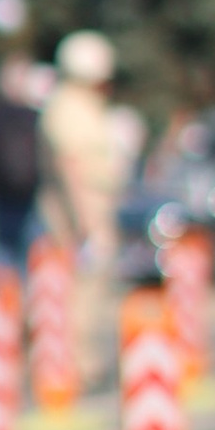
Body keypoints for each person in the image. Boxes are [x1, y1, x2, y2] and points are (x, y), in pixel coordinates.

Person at [40, 29, 138, 380]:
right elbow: (72, 166)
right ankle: (75, 364)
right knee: (79, 290)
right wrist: (85, 222)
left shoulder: (82, 106)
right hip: (83, 210)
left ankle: (81, 360)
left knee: (91, 288)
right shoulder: (68, 107)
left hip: (93, 205)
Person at [0, 54, 51, 269]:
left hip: (14, 192)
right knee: (18, 252)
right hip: (16, 193)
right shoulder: (27, 115)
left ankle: (9, 297)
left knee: (10, 251)